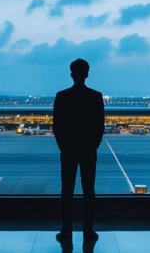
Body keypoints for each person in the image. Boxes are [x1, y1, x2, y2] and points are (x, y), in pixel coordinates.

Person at [53, 59, 104, 242]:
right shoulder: (96, 96)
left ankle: (66, 229)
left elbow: (56, 126)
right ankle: (88, 229)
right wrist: (93, 145)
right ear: (87, 74)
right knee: (89, 190)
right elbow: (100, 126)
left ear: (71, 74)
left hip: (68, 149)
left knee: (66, 190)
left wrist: (63, 145)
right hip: (88, 149)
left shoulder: (62, 96)